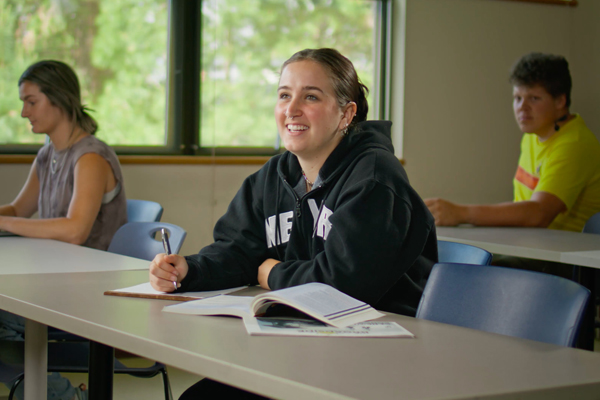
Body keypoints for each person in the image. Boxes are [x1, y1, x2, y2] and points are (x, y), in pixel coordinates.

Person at [150, 48, 437, 399]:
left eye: (311, 96)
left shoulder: (375, 179)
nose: (292, 109)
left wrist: (271, 274)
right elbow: (237, 249)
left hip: (374, 354)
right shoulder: (274, 175)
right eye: (285, 95)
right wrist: (188, 270)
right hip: (302, 341)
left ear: (347, 114)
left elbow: (342, 286)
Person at [0, 60, 127, 400]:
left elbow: (75, 231)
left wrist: (3, 223)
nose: (24, 112)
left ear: (58, 99)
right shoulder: (48, 155)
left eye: (31, 101)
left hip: (86, 290)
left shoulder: (90, 157)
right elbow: (17, 209)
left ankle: (65, 397)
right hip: (54, 279)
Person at [425, 53, 600, 233]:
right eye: (517, 98)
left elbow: (538, 214)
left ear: (560, 101)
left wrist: (461, 213)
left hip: (560, 258)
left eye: (534, 98)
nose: (522, 108)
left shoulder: (575, 144)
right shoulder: (532, 135)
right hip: (530, 247)